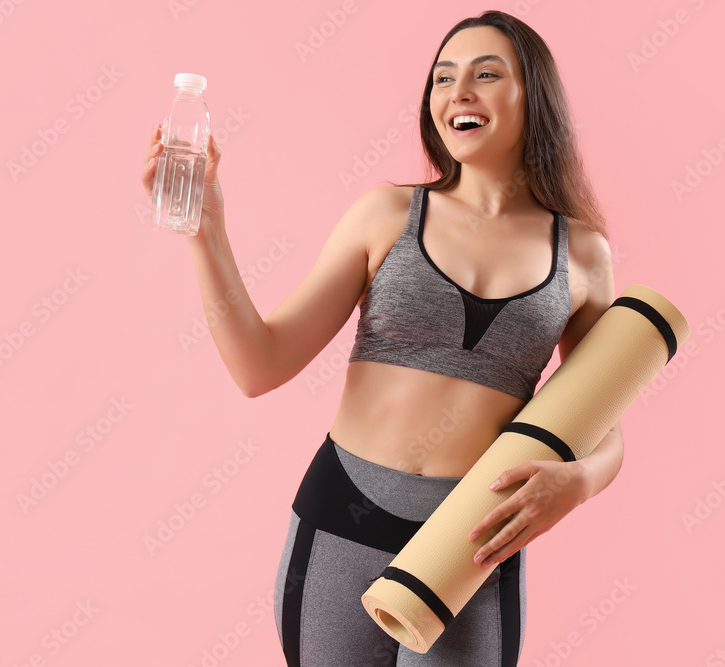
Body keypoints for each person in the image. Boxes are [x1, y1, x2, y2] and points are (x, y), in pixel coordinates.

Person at [141, 10, 624, 666]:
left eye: (486, 74)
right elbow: (261, 363)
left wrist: (580, 483)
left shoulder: (584, 255)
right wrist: (207, 230)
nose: (459, 92)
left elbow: (605, 420)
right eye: (443, 78)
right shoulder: (386, 215)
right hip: (340, 522)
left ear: (532, 96)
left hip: (475, 548)